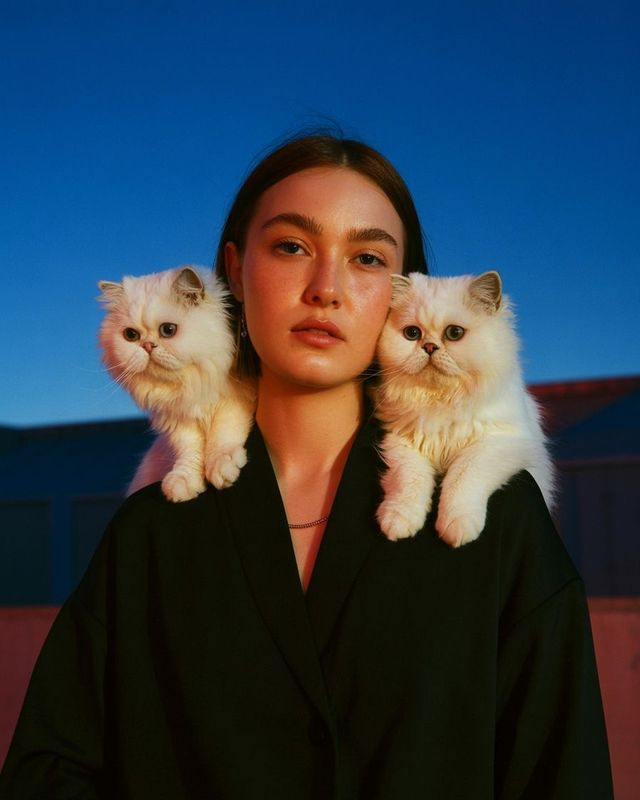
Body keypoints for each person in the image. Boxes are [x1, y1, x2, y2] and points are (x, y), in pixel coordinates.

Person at [0, 132, 612, 799]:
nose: (326, 288)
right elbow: (48, 772)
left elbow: (563, 772)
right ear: (234, 271)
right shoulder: (150, 531)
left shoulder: (499, 515)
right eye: (292, 247)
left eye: (368, 257)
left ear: (402, 296)